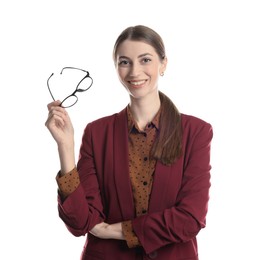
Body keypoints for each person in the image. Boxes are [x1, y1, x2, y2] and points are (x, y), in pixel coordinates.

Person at [45, 25, 213, 260]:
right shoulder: (97, 133)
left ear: (163, 64)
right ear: (116, 68)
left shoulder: (196, 132)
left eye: (145, 60)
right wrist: (65, 147)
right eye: (124, 62)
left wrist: (115, 230)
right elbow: (81, 222)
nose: (135, 71)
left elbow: (190, 218)